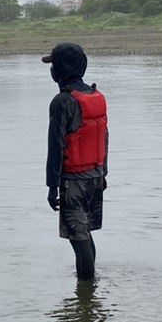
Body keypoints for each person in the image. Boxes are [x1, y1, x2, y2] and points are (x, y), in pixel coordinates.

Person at [43, 42, 108, 282]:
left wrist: (52, 187)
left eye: (53, 65)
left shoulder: (62, 101)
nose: (51, 70)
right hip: (96, 175)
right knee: (85, 233)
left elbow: (56, 145)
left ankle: (86, 296)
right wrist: (104, 174)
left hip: (73, 181)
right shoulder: (96, 96)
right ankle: (90, 290)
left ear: (60, 69)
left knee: (78, 239)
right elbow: (104, 137)